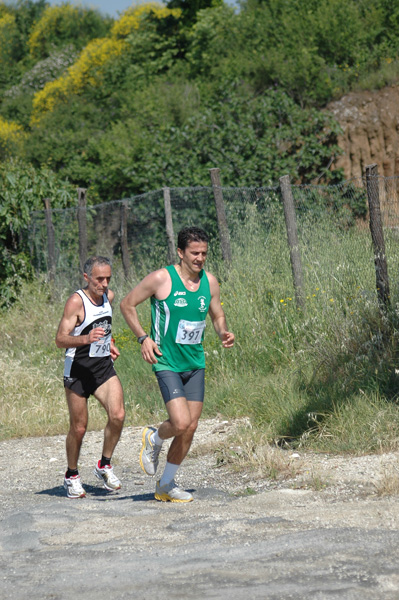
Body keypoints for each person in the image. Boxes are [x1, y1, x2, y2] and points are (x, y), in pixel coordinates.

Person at [120, 226, 234, 503]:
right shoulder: (162, 279)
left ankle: (166, 484)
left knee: (191, 426)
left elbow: (217, 314)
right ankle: (154, 438)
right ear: (181, 253)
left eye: (204, 253)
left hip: (195, 363)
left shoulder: (211, 282)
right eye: (195, 253)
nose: (200, 258)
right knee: (180, 422)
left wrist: (223, 332)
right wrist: (143, 338)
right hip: (167, 362)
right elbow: (127, 304)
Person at [55, 256, 125, 499]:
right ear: (86, 277)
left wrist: (110, 342)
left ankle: (104, 465)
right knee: (79, 427)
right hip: (77, 370)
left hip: (102, 368)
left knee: (117, 415)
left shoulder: (109, 297)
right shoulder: (76, 302)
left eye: (108, 279)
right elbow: (60, 339)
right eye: (99, 279)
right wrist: (86, 338)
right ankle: (71, 475)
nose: (104, 284)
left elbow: (103, 325)